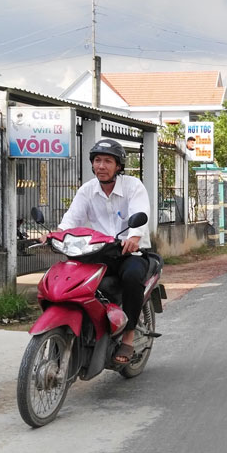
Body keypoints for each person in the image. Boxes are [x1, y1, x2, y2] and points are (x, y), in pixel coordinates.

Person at [48, 138, 151, 364]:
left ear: (118, 166)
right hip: (97, 253)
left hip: (128, 253)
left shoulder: (134, 187)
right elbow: (71, 218)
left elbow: (140, 213)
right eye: (97, 160)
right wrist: (56, 235)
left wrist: (134, 237)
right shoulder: (88, 190)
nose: (101, 166)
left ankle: (128, 338)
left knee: (132, 277)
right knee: (73, 282)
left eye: (107, 161)